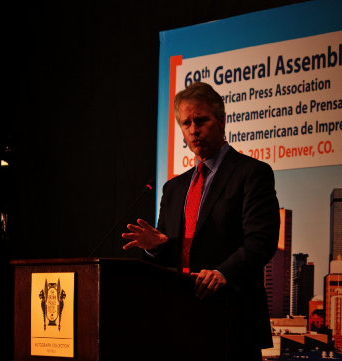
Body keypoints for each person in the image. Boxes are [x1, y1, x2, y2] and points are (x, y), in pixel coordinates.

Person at [122, 81, 280, 360]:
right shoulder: (173, 188)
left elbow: (261, 241)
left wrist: (223, 273)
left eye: (201, 120)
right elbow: (170, 252)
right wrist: (156, 247)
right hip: (180, 318)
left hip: (231, 318)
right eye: (186, 123)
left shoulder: (252, 173)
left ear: (221, 121)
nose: (193, 129)